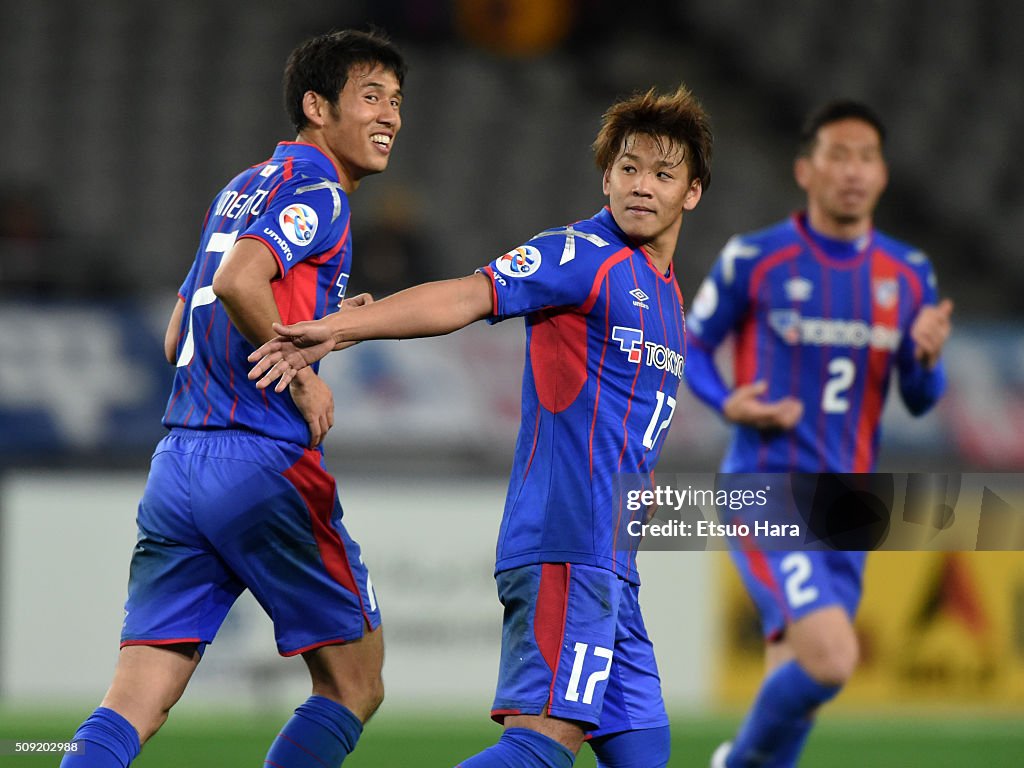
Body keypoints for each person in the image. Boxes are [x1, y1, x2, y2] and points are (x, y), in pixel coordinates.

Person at [248, 85, 713, 768]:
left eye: (662, 173)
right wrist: (342, 326)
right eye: (628, 168)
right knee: (542, 746)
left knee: (645, 753)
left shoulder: (666, 293)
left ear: (692, 192)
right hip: (568, 540)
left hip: (612, 558)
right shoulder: (582, 255)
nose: (642, 185)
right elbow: (468, 295)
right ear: (606, 177)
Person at [61, 29, 406, 768]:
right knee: (355, 685)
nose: (390, 118)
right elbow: (240, 282)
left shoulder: (239, 188)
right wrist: (308, 379)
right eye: (371, 97)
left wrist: (327, 333)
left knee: (133, 701)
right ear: (317, 106)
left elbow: (177, 333)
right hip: (259, 461)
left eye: (397, 102)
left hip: (178, 463)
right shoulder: (321, 193)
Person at [683, 100, 953, 768]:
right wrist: (728, 404)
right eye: (838, 154)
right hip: (767, 487)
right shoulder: (757, 257)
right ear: (807, 169)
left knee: (793, 678)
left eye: (867, 157)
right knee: (832, 660)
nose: (853, 170)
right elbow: (689, 345)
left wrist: (923, 361)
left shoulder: (908, 273)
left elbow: (920, 402)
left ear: (883, 174)